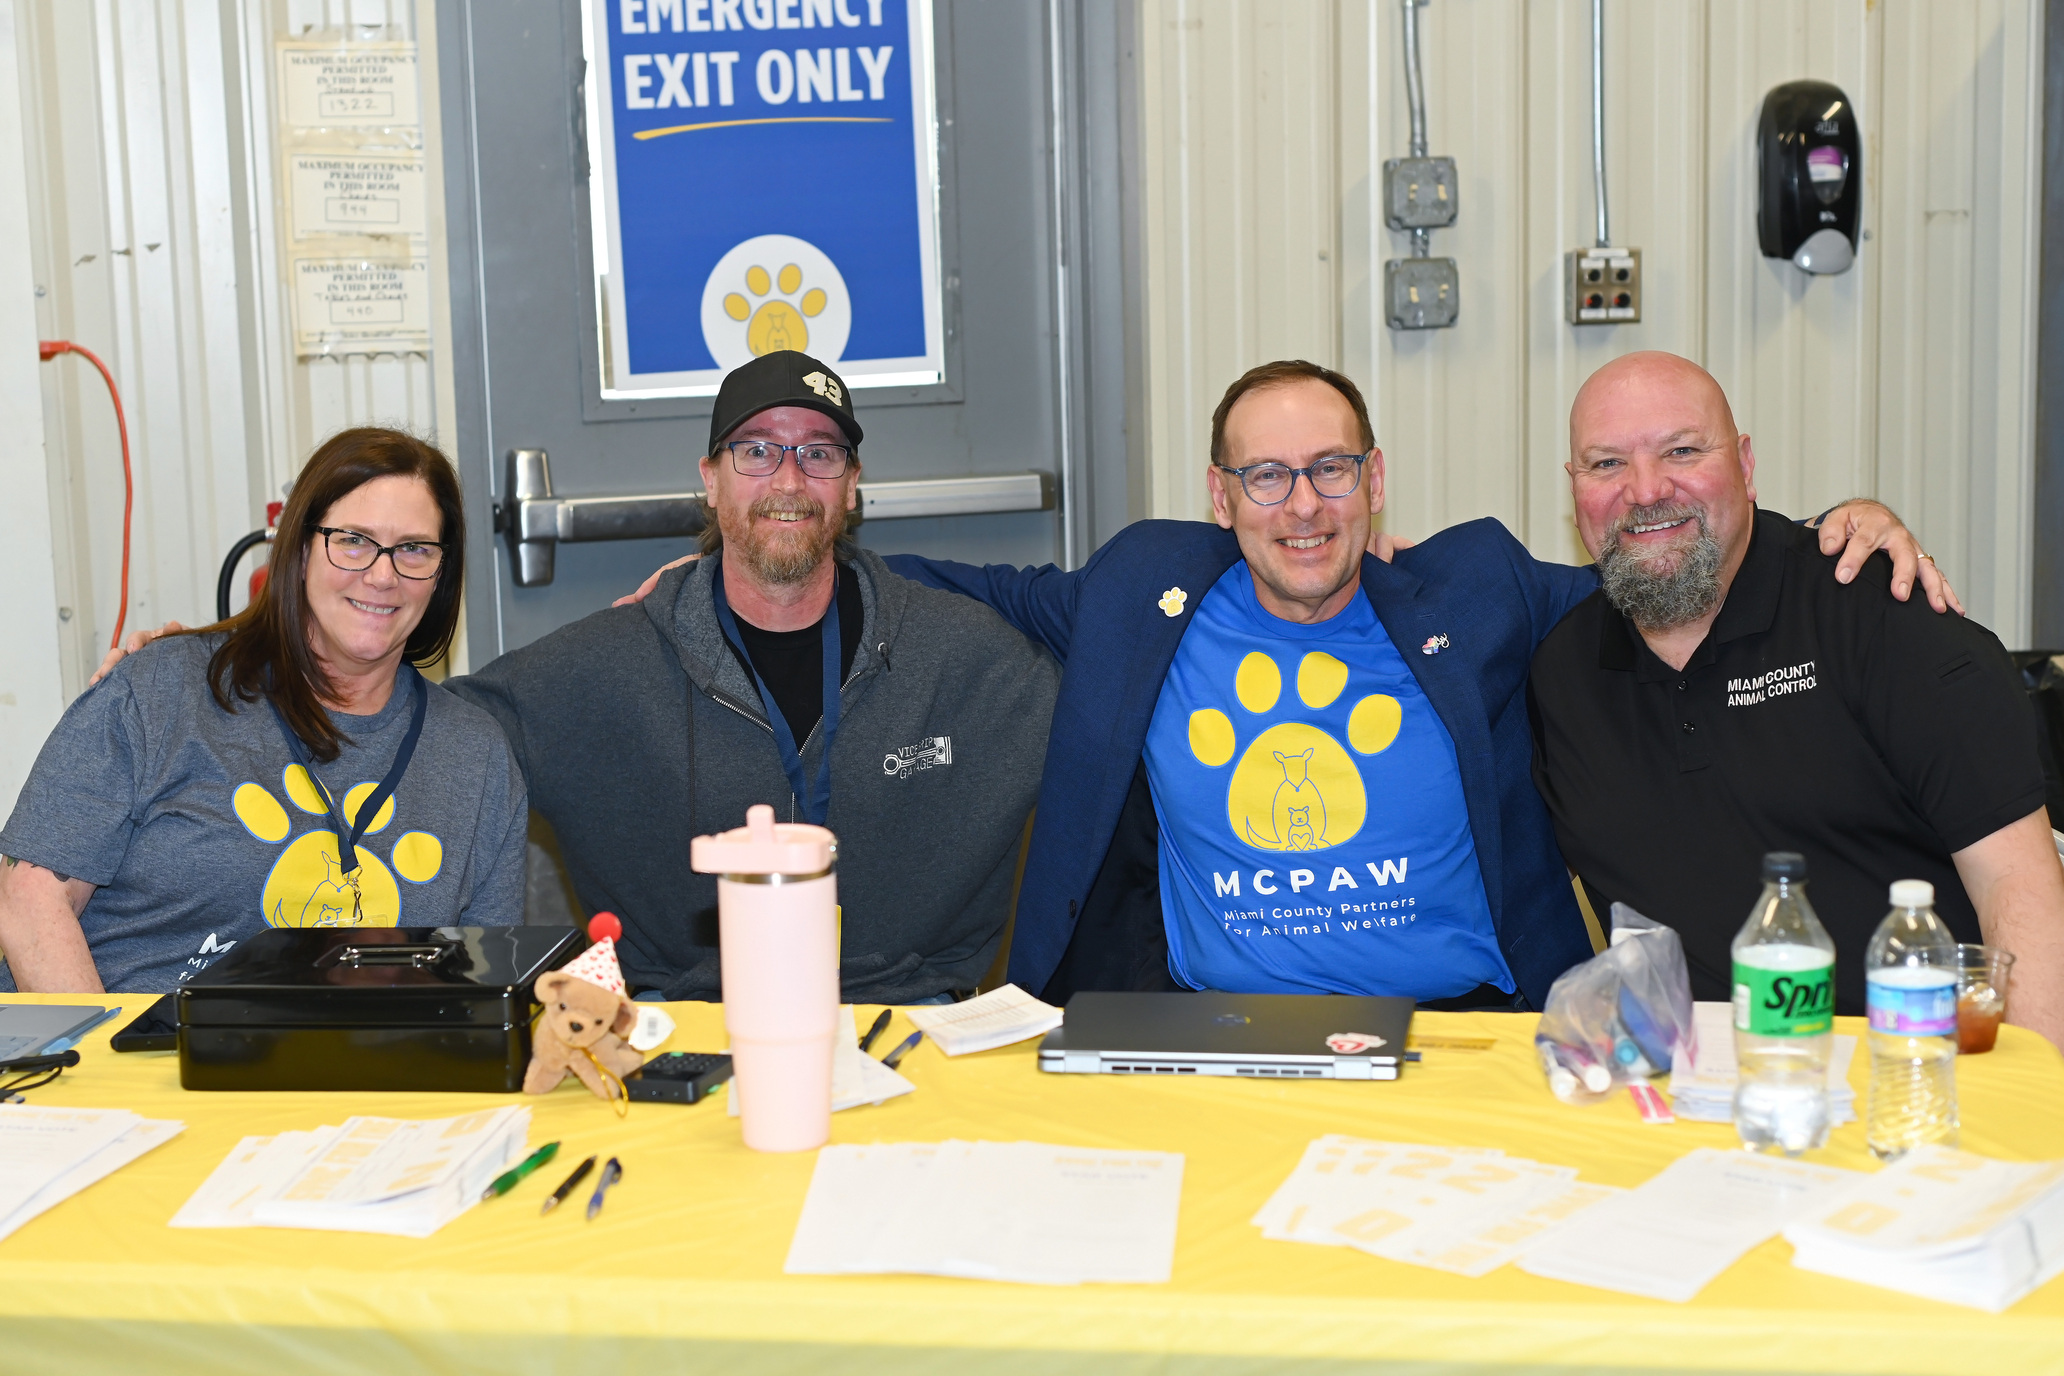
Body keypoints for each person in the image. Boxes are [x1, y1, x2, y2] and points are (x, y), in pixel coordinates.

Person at [867, 360, 1947, 1010]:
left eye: (1331, 469)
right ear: (1220, 498)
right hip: (1222, 1030)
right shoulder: (1141, 588)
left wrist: (1830, 536)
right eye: (1267, 476)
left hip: (1463, 1028)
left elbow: (1666, 562)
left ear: (1375, 479)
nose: (1304, 506)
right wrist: (777, 555)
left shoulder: (1475, 591)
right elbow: (961, 587)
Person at [449, 351, 1055, 1003]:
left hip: (907, 1017)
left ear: (852, 485)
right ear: (711, 480)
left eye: (818, 454)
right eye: (758, 451)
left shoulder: (966, 659)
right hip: (687, 1022)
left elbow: (1116, 687)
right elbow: (427, 735)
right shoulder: (606, 665)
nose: (789, 481)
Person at [1528, 351, 2064, 1047]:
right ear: (1574, 489)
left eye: (1682, 450)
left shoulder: (1882, 617)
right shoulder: (1559, 673)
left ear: (1745, 465)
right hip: (1679, 1087)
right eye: (1606, 463)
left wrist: (2028, 1101)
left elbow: (2021, 892)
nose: (1646, 488)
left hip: (1912, 1071)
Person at [0, 429, 528, 993]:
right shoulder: (161, 690)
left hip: (363, 1047)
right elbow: (28, 901)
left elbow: (482, 985)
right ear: (299, 551)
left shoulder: (476, 757)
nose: (382, 575)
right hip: (139, 1041)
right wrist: (107, 1050)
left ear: (442, 573)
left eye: (414, 549)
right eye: (353, 541)